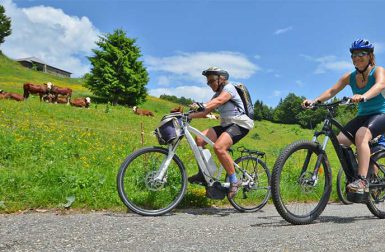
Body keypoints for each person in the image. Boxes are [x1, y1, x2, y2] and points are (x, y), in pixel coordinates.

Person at [302, 39, 385, 195]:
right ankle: (354, 174)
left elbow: (380, 85)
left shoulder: (378, 70)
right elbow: (332, 91)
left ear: (370, 56)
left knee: (361, 135)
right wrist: (314, 102)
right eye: (354, 54)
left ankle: (362, 180)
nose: (357, 57)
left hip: (381, 113)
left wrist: (363, 96)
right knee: (341, 141)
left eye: (362, 53)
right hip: (363, 115)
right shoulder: (350, 76)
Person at [188, 67, 254, 198]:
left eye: (212, 81)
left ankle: (234, 180)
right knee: (199, 140)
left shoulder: (229, 88)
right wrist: (187, 116)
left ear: (221, 79)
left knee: (219, 147)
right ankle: (204, 173)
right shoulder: (215, 95)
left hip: (240, 124)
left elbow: (218, 102)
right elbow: (205, 112)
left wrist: (202, 104)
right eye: (208, 82)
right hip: (226, 125)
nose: (210, 84)